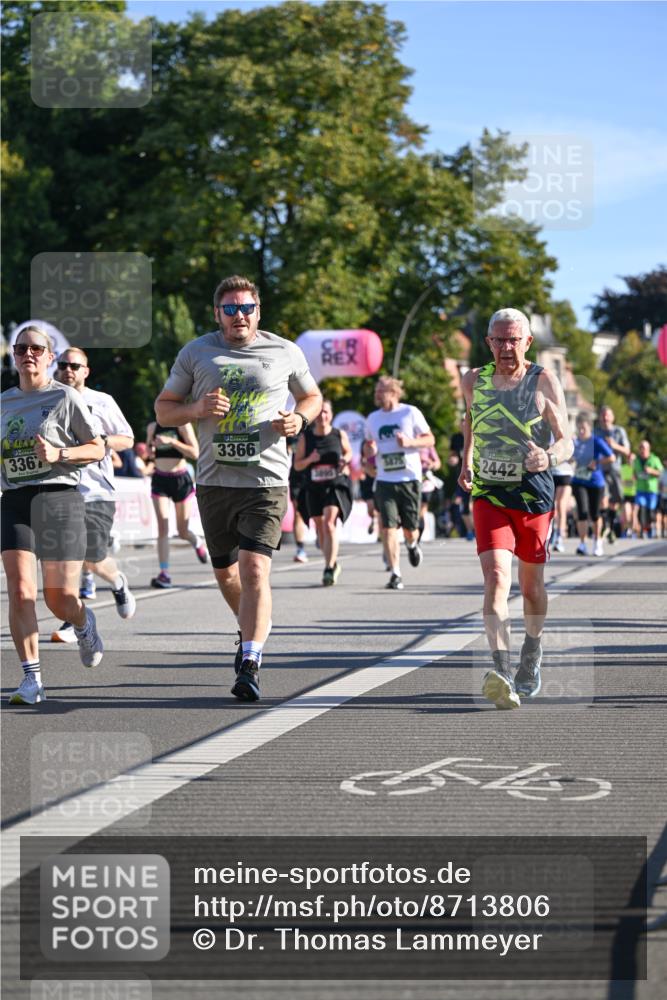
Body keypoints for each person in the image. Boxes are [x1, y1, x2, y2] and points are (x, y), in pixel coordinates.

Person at [154, 274, 321, 701]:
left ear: (258, 311)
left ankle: (250, 659)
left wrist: (298, 420)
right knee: (227, 576)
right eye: (230, 309)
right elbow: (164, 409)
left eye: (246, 308)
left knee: (253, 571)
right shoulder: (197, 352)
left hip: (265, 481)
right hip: (213, 481)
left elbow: (312, 398)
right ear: (218, 314)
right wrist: (196, 407)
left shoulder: (284, 350)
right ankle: (253, 624)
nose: (239, 316)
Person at [458, 308, 572, 710]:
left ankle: (532, 651)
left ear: (528, 342)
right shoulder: (472, 379)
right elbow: (470, 419)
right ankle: (501, 670)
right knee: (495, 578)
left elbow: (566, 440)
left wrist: (549, 458)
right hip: (489, 495)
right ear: (489, 342)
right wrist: (466, 460)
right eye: (498, 340)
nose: (506, 347)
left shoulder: (543, 380)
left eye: (514, 340)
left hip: (533, 497)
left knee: (531, 587)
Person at [1, 325, 105, 704]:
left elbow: (97, 448)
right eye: (21, 348)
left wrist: (59, 454)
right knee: (20, 590)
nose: (28, 353)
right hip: (15, 499)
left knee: (58, 597)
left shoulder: (66, 398)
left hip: (60, 497)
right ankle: (32, 679)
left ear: (49, 357)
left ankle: (83, 622)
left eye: (36, 349)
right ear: (14, 357)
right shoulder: (3, 403)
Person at [50, 348, 137, 642]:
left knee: (91, 557)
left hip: (96, 492)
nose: (68, 370)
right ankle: (72, 618)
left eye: (75, 365)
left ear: (86, 371)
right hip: (59, 491)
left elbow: (127, 439)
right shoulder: (46, 400)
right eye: (63, 364)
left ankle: (117, 580)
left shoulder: (102, 402)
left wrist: (101, 440)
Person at [363, 375, 435, 591]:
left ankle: (412, 544)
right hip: (385, 479)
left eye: (381, 389)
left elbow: (430, 439)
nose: (377, 393)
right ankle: (395, 572)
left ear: (393, 391)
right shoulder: (373, 418)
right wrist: (370, 451)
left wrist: (410, 442)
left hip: (409, 479)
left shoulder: (410, 412)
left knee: (410, 529)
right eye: (376, 390)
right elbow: (367, 448)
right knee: (388, 528)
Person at [293, 399, 353, 585]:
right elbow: (297, 465)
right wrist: (310, 459)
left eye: (326, 412)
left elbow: (349, 453)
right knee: (320, 528)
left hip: (334, 484)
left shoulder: (338, 434)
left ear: (331, 415)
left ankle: (328, 567)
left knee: (329, 523)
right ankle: (332, 563)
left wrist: (344, 461)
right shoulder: (306, 438)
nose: (322, 416)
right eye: (319, 413)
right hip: (314, 486)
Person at [146, 418, 208, 588]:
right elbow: (149, 454)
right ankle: (164, 573)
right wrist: (151, 451)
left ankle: (197, 543)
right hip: (160, 479)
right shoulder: (153, 426)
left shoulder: (182, 425)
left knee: (182, 531)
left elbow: (195, 453)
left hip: (180, 479)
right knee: (162, 526)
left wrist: (172, 441)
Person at [571, 412, 615, 557]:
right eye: (579, 429)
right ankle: (582, 544)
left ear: (590, 428)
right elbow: (570, 457)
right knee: (582, 512)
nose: (581, 431)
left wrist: (597, 462)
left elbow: (612, 457)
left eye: (584, 428)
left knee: (595, 513)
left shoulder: (597, 441)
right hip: (579, 481)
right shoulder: (575, 442)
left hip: (596, 482)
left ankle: (598, 542)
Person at [597, 405, 631, 543]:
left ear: (612, 417)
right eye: (603, 415)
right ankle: (605, 525)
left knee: (615, 502)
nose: (605, 418)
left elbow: (627, 451)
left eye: (607, 415)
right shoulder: (596, 432)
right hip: (600, 470)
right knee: (603, 498)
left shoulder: (619, 431)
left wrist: (614, 445)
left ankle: (610, 527)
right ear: (600, 418)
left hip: (615, 470)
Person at [632, 439, 663, 539]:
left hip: (651, 490)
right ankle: (642, 531)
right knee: (640, 509)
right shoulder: (636, 460)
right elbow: (634, 473)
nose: (642, 450)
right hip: (640, 489)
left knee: (651, 511)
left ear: (648, 449)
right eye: (640, 448)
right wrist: (635, 476)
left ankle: (653, 530)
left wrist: (651, 471)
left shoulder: (654, 459)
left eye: (644, 448)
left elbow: (661, 473)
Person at [418, 443, 442, 541]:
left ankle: (418, 535)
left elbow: (437, 464)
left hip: (425, 482)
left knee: (422, 509)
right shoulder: (407, 441)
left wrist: (430, 463)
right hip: (409, 480)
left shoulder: (428, 445)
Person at [550, 456, 574, 552]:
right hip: (551, 474)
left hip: (565, 473)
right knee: (551, 506)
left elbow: (576, 457)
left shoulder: (571, 440)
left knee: (561, 505)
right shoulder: (548, 440)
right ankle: (550, 533)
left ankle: (559, 537)